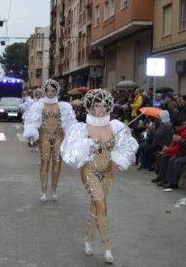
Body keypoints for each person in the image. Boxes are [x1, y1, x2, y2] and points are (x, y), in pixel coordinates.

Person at [61, 89, 138, 264]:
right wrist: (87, 147)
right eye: (97, 105)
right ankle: (107, 248)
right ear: (90, 107)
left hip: (108, 173)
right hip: (89, 172)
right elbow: (70, 152)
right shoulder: (82, 128)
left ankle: (88, 240)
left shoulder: (116, 127)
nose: (101, 109)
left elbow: (126, 147)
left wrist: (119, 160)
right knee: (102, 205)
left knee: (96, 207)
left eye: (104, 106)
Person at [23, 79, 77, 201]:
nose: (50, 93)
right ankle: (43, 191)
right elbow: (32, 122)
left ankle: (54, 190)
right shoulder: (38, 105)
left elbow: (69, 123)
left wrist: (72, 138)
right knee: (45, 161)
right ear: (44, 92)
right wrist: (31, 136)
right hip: (44, 136)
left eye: (53, 91)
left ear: (56, 91)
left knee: (57, 162)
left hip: (59, 136)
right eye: (48, 90)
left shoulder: (64, 106)